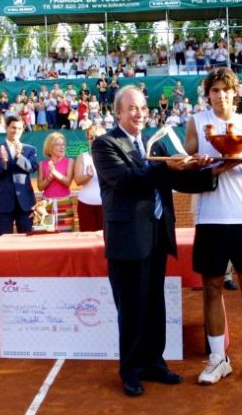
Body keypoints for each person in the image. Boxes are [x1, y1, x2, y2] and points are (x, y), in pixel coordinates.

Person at [92, 86, 219, 397]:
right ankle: (131, 370)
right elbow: (127, 181)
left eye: (142, 108)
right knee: (132, 308)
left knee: (153, 305)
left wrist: (209, 170)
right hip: (127, 240)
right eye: (132, 108)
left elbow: (176, 179)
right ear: (118, 112)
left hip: (157, 235)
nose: (139, 113)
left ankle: (154, 363)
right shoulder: (106, 144)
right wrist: (166, 166)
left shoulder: (155, 143)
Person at [184, 67, 242, 385]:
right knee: (212, 289)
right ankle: (217, 358)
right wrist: (199, 163)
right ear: (208, 94)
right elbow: (186, 162)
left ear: (234, 93)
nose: (221, 95)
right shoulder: (197, 122)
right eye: (215, 90)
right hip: (210, 219)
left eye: (226, 90)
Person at [0, 115, 38, 236]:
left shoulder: (30, 150)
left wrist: (19, 157)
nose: (16, 131)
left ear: (23, 129)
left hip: (25, 203)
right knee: (3, 241)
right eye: (13, 127)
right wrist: (3, 162)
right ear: (6, 128)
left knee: (27, 240)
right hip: (3, 203)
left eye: (19, 128)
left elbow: (32, 168)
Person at [37, 132, 75, 231]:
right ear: (50, 147)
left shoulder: (70, 161)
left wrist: (54, 172)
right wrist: (49, 179)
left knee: (66, 233)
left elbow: (68, 182)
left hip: (65, 203)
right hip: (47, 205)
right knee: (48, 233)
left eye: (63, 144)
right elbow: (40, 187)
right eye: (58, 144)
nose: (62, 147)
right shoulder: (42, 164)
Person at [74, 125, 106, 231]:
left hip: (107, 205)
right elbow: (77, 180)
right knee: (87, 237)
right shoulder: (82, 157)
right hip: (86, 205)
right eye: (91, 137)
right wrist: (88, 176)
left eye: (97, 137)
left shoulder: (111, 157)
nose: (94, 140)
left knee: (109, 237)